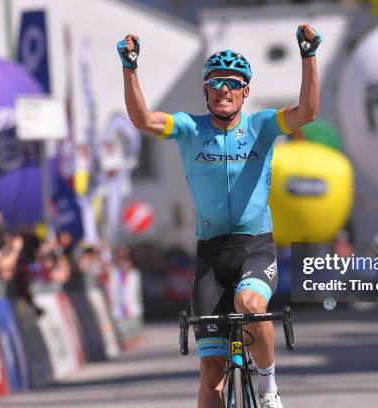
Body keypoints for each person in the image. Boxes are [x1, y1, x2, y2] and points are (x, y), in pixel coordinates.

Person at [118, 24, 322, 408]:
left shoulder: (261, 126)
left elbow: (307, 112)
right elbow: (143, 119)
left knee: (250, 305)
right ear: (206, 91)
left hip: (255, 247)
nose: (224, 89)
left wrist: (308, 56)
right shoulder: (189, 128)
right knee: (211, 372)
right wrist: (130, 68)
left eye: (233, 82)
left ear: (245, 90)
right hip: (210, 256)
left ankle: (267, 389)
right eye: (216, 82)